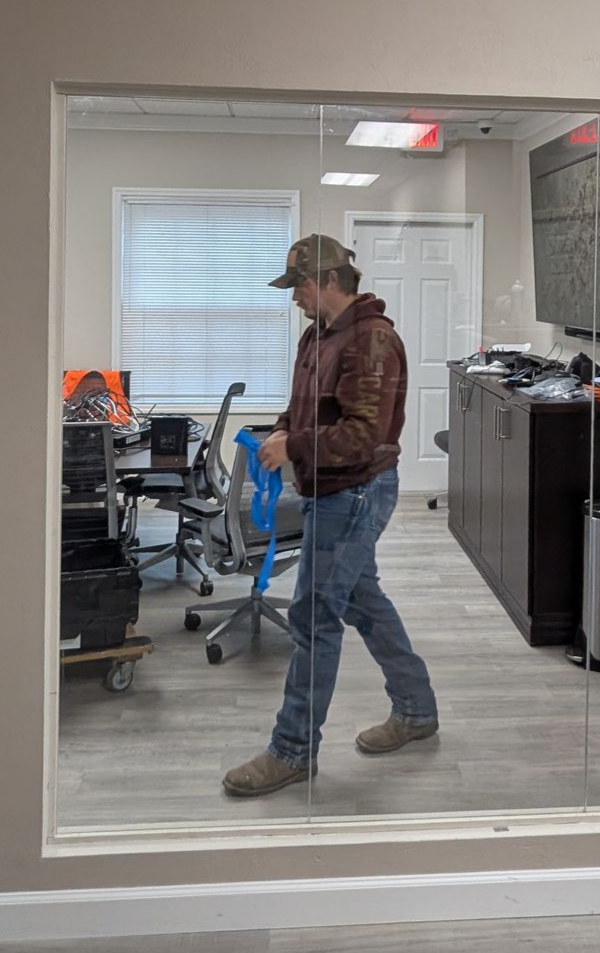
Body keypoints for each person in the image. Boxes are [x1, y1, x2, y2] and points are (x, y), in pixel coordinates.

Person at [222, 234, 439, 798]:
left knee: (313, 616)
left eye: (300, 285)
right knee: (364, 601)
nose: (294, 297)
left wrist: (293, 448)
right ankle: (417, 711)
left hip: (356, 491)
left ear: (331, 281)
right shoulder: (318, 336)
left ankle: (293, 751)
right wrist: (280, 431)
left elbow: (362, 437)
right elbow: (302, 411)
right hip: (331, 489)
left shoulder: (372, 342)